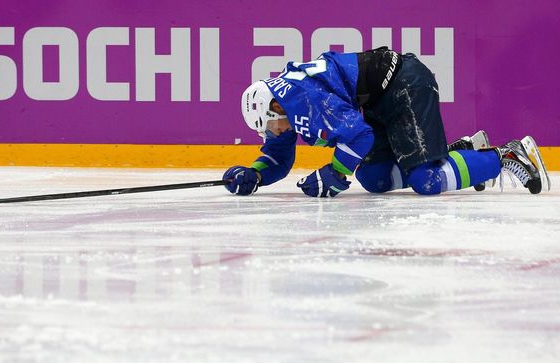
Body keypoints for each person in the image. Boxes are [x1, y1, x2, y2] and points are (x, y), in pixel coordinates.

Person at [223, 47, 550, 197]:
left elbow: (360, 136)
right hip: (380, 97)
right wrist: (253, 174)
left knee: (427, 181)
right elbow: (278, 157)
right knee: (375, 178)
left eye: (268, 127)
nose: (271, 134)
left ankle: (505, 155)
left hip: (404, 84)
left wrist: (335, 173)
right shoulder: (283, 104)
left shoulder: (301, 100)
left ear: (275, 107)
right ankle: (464, 153)